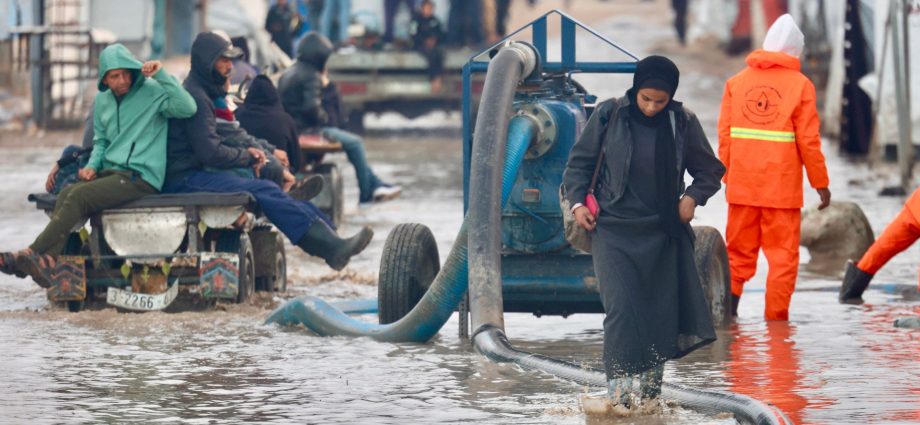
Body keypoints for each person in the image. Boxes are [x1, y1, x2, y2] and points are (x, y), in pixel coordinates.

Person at [562, 55, 724, 407]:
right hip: (614, 230)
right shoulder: (609, 115)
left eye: (660, 101)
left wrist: (692, 199)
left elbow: (710, 171)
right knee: (621, 311)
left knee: (658, 313)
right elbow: (578, 165)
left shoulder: (682, 122)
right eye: (645, 98)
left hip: (663, 230)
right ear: (635, 90)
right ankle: (619, 403)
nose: (651, 107)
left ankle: (649, 403)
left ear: (671, 97)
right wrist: (577, 206)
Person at [164, 32, 372, 271]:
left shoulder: (204, 92)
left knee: (269, 189)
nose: (230, 66)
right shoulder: (198, 97)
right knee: (264, 190)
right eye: (224, 60)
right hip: (186, 179)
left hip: (198, 173)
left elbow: (230, 136)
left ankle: (332, 242)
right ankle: (329, 246)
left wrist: (264, 152)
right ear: (206, 61)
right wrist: (248, 156)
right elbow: (209, 152)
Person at [0, 44, 197, 285]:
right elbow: (101, 142)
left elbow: (188, 108)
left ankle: (32, 253)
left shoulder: (153, 91)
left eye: (126, 73)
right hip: (111, 172)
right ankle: (47, 262)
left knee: (78, 197)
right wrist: (92, 166)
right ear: (105, 78)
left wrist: (161, 74)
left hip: (141, 176)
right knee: (69, 192)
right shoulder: (102, 100)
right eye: (115, 76)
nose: (122, 80)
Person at [718, 14, 831, 321]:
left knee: (737, 257)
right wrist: (820, 182)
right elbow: (809, 141)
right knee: (782, 260)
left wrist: (728, 177)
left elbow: (724, 136)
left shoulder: (735, 84)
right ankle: (777, 332)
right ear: (795, 51)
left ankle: (728, 324)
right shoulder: (801, 86)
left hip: (742, 188)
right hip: (781, 192)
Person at [278, 31, 401, 206]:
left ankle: (375, 184)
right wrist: (325, 117)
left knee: (352, 141)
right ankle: (366, 194)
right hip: (308, 130)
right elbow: (311, 109)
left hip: (294, 129)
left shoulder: (290, 71)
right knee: (355, 143)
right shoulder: (311, 75)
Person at [840, 188, 920, 304]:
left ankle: (847, 300)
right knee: (876, 254)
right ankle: (848, 302)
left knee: (876, 254)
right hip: (913, 210)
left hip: (913, 208)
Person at [236, 75, 303, 173]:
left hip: (243, 174)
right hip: (280, 176)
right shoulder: (285, 120)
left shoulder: (237, 116)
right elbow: (296, 161)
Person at [410, 0, 445, 92]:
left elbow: (441, 34)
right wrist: (424, 41)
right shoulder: (416, 20)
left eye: (430, 8)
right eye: (426, 8)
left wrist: (434, 40)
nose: (428, 10)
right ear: (422, 9)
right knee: (431, 55)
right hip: (420, 45)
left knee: (439, 53)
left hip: (434, 45)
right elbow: (413, 34)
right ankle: (434, 79)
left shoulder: (435, 20)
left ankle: (438, 78)